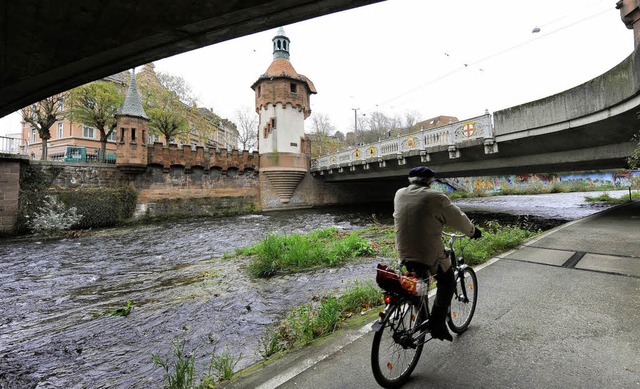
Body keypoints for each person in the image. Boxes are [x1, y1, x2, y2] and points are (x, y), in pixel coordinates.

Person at [393, 166, 481, 341]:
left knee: (419, 284)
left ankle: (422, 317)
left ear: (411, 180)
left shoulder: (399, 194)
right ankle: (436, 324)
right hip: (428, 253)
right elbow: (458, 218)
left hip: (403, 251)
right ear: (430, 181)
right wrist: (473, 231)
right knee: (447, 283)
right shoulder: (436, 197)